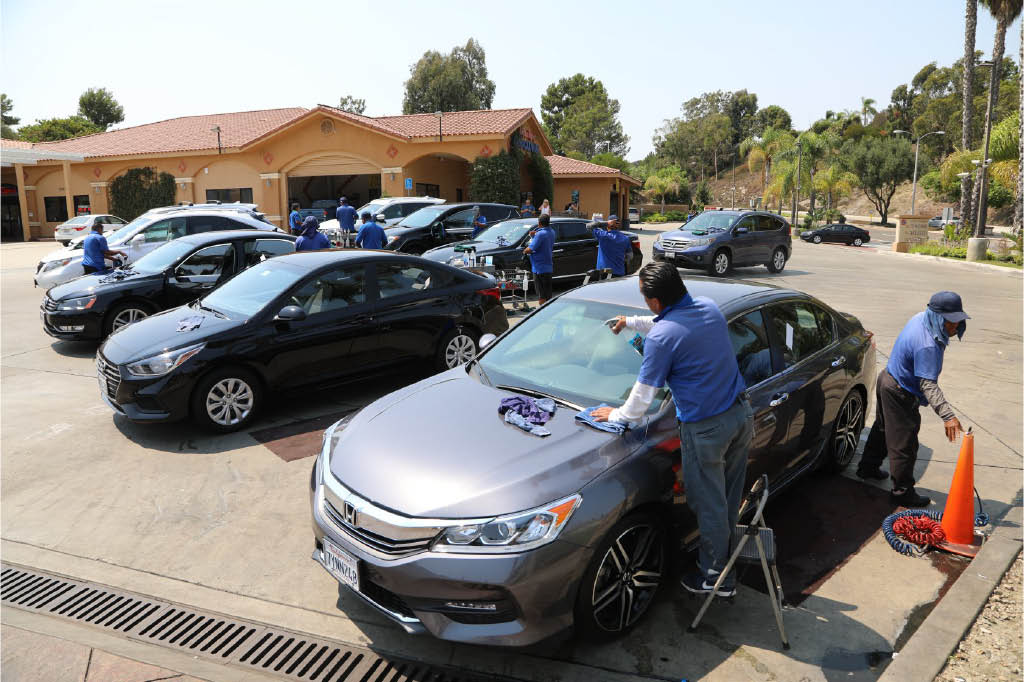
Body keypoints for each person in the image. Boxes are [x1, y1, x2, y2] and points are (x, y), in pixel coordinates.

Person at [591, 262, 752, 597]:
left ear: (654, 302)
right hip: (739, 416)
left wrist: (617, 415)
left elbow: (641, 399)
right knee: (727, 497)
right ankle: (726, 561)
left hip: (706, 430)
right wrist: (630, 322)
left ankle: (715, 578)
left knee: (708, 503)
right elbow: (672, 326)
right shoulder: (706, 307)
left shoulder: (662, 339)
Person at [856, 292, 967, 507]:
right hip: (899, 391)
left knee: (882, 428)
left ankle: (867, 468)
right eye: (951, 320)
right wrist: (948, 416)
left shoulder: (921, 317)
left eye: (958, 319)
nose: (956, 325)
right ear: (938, 317)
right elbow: (928, 385)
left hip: (887, 378)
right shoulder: (928, 345)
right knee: (904, 444)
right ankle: (902, 492)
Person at [522, 213, 555, 304]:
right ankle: (548, 312)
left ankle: (541, 314)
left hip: (539, 268)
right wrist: (534, 236)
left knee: (541, 295)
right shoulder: (552, 232)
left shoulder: (540, 234)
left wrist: (525, 250)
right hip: (548, 267)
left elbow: (529, 249)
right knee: (548, 294)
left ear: (539, 223)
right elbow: (543, 242)